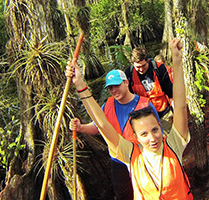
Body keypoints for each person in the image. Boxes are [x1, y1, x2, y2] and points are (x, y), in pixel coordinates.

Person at [67, 38, 193, 199]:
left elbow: (181, 106)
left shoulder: (173, 145)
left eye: (155, 130)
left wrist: (177, 59)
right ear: (136, 137)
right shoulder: (131, 153)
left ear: (160, 126)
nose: (153, 138)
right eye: (144, 134)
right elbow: (103, 125)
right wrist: (79, 85)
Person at [69, 69, 160, 200]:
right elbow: (98, 126)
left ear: (126, 82)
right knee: (122, 195)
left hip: (140, 158)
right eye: (110, 88)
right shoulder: (108, 105)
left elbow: (158, 133)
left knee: (147, 192)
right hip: (117, 159)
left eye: (117, 85)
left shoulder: (145, 104)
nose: (114, 90)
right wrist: (81, 127)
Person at [125, 47, 174, 131]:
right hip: (145, 115)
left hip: (163, 112)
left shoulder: (159, 69)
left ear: (148, 60)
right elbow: (129, 96)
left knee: (170, 138)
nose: (141, 69)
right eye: (138, 67)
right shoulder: (129, 73)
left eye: (143, 65)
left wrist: (176, 111)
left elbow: (170, 92)